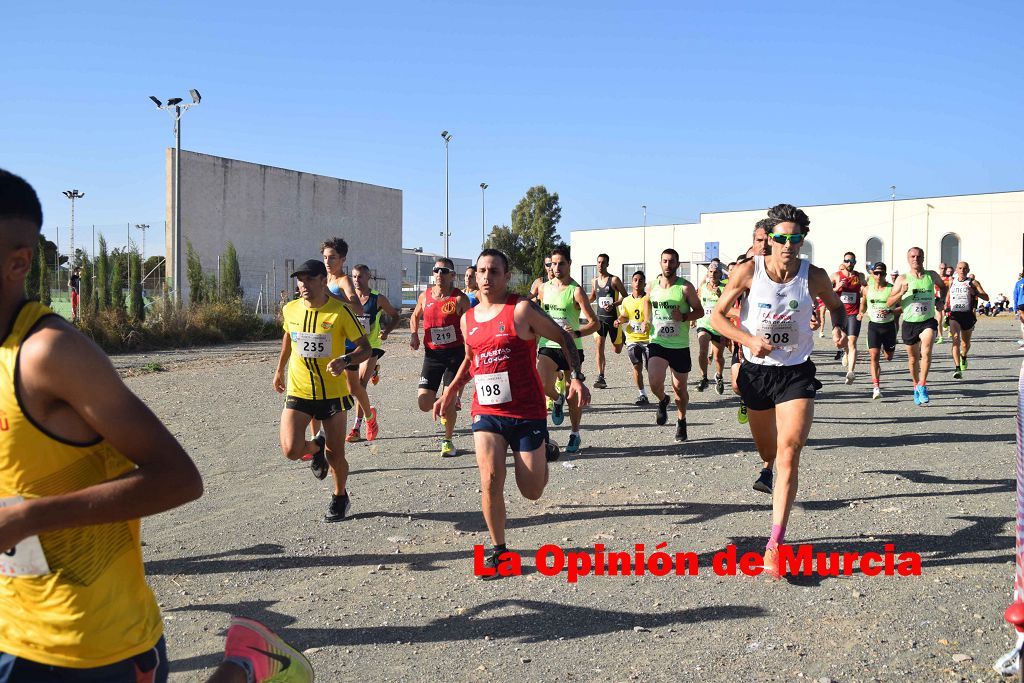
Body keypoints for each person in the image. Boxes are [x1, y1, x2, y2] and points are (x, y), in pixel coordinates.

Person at [0, 169, 205, 681]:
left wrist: (26, 519)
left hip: (90, 642)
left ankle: (245, 669)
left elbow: (179, 479)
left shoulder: (49, 354)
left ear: (17, 261)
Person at [711, 203, 847, 580]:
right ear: (769, 240)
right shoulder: (748, 272)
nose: (789, 244)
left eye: (796, 238)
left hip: (796, 373)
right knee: (769, 451)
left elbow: (838, 308)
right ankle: (767, 467)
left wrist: (839, 327)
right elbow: (717, 317)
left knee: (790, 450)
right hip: (757, 373)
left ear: (803, 240)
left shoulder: (814, 276)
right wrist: (748, 340)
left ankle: (775, 544)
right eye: (782, 238)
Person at [434, 249, 590, 576]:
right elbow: (469, 359)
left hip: (527, 410)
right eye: (482, 271)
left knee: (531, 491)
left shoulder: (521, 310)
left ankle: (544, 450)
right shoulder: (468, 318)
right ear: (475, 276)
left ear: (507, 276)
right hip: (487, 411)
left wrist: (576, 377)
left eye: (494, 271)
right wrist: (451, 391)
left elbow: (562, 337)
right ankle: (499, 550)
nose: (487, 277)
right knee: (490, 478)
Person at [274, 259, 370, 522]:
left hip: (332, 394)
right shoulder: (291, 309)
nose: (302, 284)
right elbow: (288, 340)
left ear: (321, 280)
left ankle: (340, 496)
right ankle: (315, 447)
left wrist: (345, 361)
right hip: (299, 390)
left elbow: (365, 348)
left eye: (308, 279)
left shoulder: (340, 312)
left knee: (336, 455)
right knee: (291, 450)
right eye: (299, 279)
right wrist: (278, 369)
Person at [537, 246, 598, 454]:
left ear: (569, 264)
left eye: (561, 263)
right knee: (542, 383)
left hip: (571, 349)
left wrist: (577, 333)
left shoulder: (576, 291)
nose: (556, 267)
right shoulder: (543, 288)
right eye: (553, 263)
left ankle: (574, 433)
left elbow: (594, 323)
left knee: (574, 395)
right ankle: (556, 398)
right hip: (548, 346)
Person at [410, 258, 471, 456]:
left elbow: (471, 326)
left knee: (450, 400)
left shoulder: (460, 299)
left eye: (444, 271)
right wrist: (414, 334)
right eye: (436, 270)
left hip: (455, 355)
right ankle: (444, 402)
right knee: (424, 403)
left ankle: (448, 441)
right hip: (432, 355)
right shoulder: (425, 296)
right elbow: (415, 316)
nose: (439, 274)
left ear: (453, 276)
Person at [321, 238, 379, 443]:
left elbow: (357, 308)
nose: (328, 261)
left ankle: (370, 418)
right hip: (327, 341)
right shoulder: (323, 280)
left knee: (354, 388)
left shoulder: (343, 281)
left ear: (342, 259)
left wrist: (329, 296)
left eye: (333, 257)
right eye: (325, 257)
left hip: (347, 342)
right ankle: (318, 436)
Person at [645, 248, 703, 442]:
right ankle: (662, 399)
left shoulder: (685, 287)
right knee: (654, 382)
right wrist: (647, 320)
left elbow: (700, 311)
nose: (668, 265)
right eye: (665, 261)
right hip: (658, 341)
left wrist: (684, 316)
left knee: (680, 389)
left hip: (679, 345)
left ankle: (681, 419)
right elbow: (647, 303)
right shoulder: (651, 286)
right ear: (660, 263)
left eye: (671, 261)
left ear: (678, 264)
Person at [886, 247, 947, 405]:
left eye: (919, 256)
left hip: (927, 321)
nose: (916, 259)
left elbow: (944, 286)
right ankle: (915, 386)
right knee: (913, 359)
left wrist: (941, 300)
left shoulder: (931, 275)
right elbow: (889, 303)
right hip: (910, 323)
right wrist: (901, 293)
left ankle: (923, 384)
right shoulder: (902, 279)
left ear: (923, 258)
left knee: (926, 350)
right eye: (912, 256)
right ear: (908, 259)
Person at [346, 264, 399, 442]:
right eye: (354, 277)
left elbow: (395, 315)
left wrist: (386, 331)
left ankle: (357, 427)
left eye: (360, 277)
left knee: (360, 385)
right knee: (352, 388)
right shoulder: (348, 298)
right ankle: (374, 369)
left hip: (372, 345)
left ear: (368, 277)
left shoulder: (377, 299)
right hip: (353, 346)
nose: (356, 280)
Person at [588, 253, 627, 389]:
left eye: (603, 262)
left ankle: (621, 337)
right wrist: (581, 303)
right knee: (599, 345)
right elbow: (593, 296)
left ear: (607, 264)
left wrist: (614, 305)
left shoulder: (614, 280)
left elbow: (626, 297)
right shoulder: (594, 281)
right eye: (598, 262)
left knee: (617, 350)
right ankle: (601, 376)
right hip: (600, 320)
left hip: (614, 320)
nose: (600, 265)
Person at [945, 261, 988, 378]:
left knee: (965, 344)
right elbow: (949, 292)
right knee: (955, 340)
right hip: (954, 314)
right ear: (956, 270)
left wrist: (975, 293)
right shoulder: (952, 280)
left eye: (965, 268)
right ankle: (957, 368)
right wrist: (946, 304)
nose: (962, 270)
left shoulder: (973, 282)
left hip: (967, 315)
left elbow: (986, 297)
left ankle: (963, 356)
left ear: (968, 270)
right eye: (960, 268)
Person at [861, 261, 897, 399]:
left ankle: (885, 349)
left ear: (885, 274)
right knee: (874, 357)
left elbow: (901, 307)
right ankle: (876, 387)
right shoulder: (867, 289)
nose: (878, 275)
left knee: (888, 357)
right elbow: (863, 302)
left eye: (881, 273)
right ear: (872, 274)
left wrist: (891, 312)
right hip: (874, 326)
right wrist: (860, 312)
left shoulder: (892, 289)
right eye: (876, 273)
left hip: (888, 327)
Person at [616, 270, 651, 406]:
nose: (637, 283)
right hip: (632, 338)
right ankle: (642, 395)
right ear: (631, 282)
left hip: (648, 339)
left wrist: (646, 322)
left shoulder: (648, 299)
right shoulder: (626, 300)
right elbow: (625, 316)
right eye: (635, 280)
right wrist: (619, 320)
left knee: (651, 369)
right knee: (637, 366)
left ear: (644, 283)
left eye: (640, 280)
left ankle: (659, 391)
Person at [832, 252, 865, 384]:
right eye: (847, 261)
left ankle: (850, 372)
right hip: (839, 313)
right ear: (843, 262)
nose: (849, 263)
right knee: (839, 342)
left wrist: (862, 310)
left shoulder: (859, 276)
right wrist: (838, 287)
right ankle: (845, 352)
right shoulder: (836, 275)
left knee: (852, 342)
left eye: (852, 261)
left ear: (855, 262)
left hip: (853, 313)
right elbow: (826, 291)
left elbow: (866, 290)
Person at [694, 264, 726, 395]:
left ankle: (719, 376)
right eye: (711, 272)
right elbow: (697, 304)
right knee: (703, 350)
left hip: (719, 326)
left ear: (720, 274)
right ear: (707, 273)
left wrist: (720, 296)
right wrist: (693, 319)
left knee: (718, 357)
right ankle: (704, 378)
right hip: (704, 324)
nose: (713, 274)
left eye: (716, 272)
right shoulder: (702, 288)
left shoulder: (725, 288)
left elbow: (728, 306)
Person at [934, 262, 949, 344]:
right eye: (942, 268)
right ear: (939, 268)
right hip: (937, 300)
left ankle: (946, 323)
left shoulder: (949, 279)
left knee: (945, 317)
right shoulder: (936, 278)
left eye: (945, 268)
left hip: (946, 300)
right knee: (938, 319)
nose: (943, 270)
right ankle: (940, 337)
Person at [1014, 272, 1024, 346]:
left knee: (1023, 323)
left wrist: (1015, 307)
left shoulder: (1018, 283)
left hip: (1021, 303)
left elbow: (1015, 295)